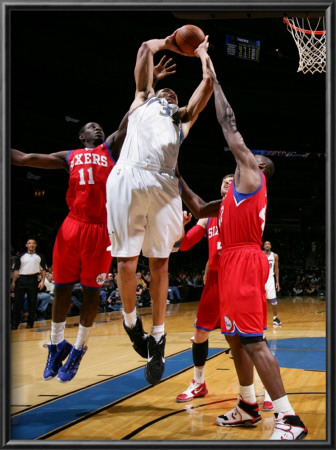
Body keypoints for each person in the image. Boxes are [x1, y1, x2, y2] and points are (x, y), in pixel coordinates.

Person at [10, 52, 175, 383]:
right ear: (81, 135)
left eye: (99, 125)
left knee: (91, 293)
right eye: (90, 126)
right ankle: (56, 345)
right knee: (61, 289)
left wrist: (151, 81)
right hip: (72, 226)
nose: (96, 126)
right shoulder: (69, 156)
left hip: (103, 229)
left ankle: (79, 350)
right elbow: (27, 157)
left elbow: (130, 118)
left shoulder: (110, 149)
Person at [177, 55, 307, 440]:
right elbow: (200, 208)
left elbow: (229, 126)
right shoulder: (231, 195)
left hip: (245, 259)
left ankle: (289, 419)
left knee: (252, 338)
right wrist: (176, 173)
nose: (243, 158)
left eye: (252, 158)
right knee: (233, 335)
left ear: (259, 168)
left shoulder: (251, 173)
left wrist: (212, 80)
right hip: (229, 263)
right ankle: (248, 404)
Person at [106, 29, 213, 385]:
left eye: (174, 93)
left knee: (161, 262)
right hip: (129, 175)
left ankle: (159, 335)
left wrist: (202, 55)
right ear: (154, 90)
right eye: (164, 89)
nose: (169, 93)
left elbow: (208, 84)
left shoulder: (181, 120)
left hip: (165, 181)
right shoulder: (141, 99)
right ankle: (130, 319)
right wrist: (170, 41)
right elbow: (143, 47)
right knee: (125, 263)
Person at [176, 174, 233, 402]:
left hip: (237, 277)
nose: (227, 182)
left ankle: (263, 389)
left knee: (249, 337)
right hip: (215, 281)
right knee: (200, 333)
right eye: (224, 181)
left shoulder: (242, 207)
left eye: (232, 180)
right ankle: (198, 383)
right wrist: (180, 228)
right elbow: (185, 244)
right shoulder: (207, 216)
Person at [11, 239, 47, 329]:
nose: (31, 245)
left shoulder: (39, 256)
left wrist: (42, 281)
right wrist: (13, 282)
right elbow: (16, 270)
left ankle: (30, 323)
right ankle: (15, 323)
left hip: (33, 279)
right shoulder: (21, 256)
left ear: (36, 245)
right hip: (21, 279)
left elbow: (43, 269)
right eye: (30, 243)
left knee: (32, 302)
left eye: (33, 243)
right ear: (26, 245)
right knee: (17, 302)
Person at [263, 241, 281, 326]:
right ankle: (259, 319)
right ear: (263, 246)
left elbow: (276, 269)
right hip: (261, 279)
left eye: (268, 244)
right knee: (260, 300)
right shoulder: (260, 254)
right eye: (266, 244)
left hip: (270, 279)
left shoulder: (275, 256)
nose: (267, 245)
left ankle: (275, 318)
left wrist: (277, 282)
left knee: (273, 300)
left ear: (271, 246)